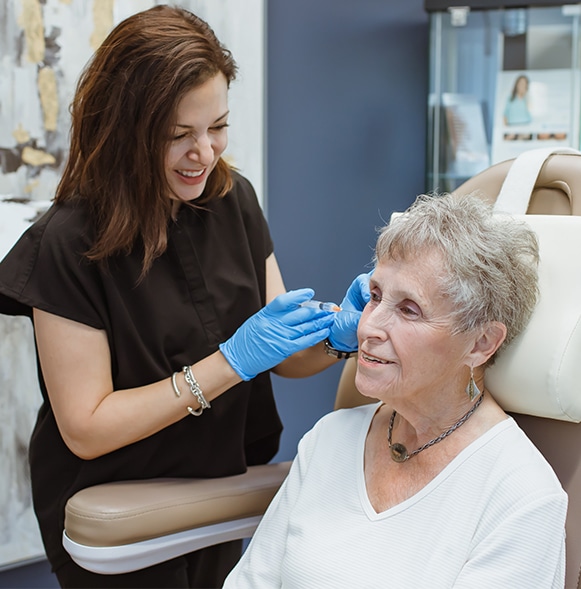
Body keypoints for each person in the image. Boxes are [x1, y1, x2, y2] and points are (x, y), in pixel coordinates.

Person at [0, 6, 368, 588]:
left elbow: (286, 355)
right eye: (178, 135)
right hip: (113, 505)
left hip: (217, 485)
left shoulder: (233, 199)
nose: (206, 152)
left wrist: (341, 336)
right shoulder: (67, 243)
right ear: (126, 132)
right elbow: (86, 426)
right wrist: (227, 364)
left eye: (217, 126)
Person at [223, 193, 568, 588]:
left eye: (409, 309)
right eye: (374, 296)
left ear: (481, 343)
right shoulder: (330, 440)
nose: (367, 327)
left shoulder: (520, 495)